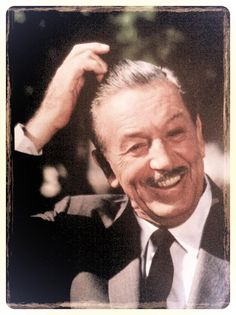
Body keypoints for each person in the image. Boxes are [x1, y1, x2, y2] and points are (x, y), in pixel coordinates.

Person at [11, 42, 229, 309]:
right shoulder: (81, 232)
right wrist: (45, 120)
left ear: (198, 134)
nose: (164, 160)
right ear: (107, 168)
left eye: (175, 133)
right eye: (136, 146)